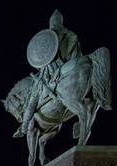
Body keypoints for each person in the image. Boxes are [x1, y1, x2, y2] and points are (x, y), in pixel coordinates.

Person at [14, 10, 83, 139]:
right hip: (72, 68)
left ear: (51, 23)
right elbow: (78, 56)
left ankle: (23, 128)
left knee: (32, 101)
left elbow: (44, 61)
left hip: (50, 76)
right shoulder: (72, 35)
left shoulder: (49, 37)